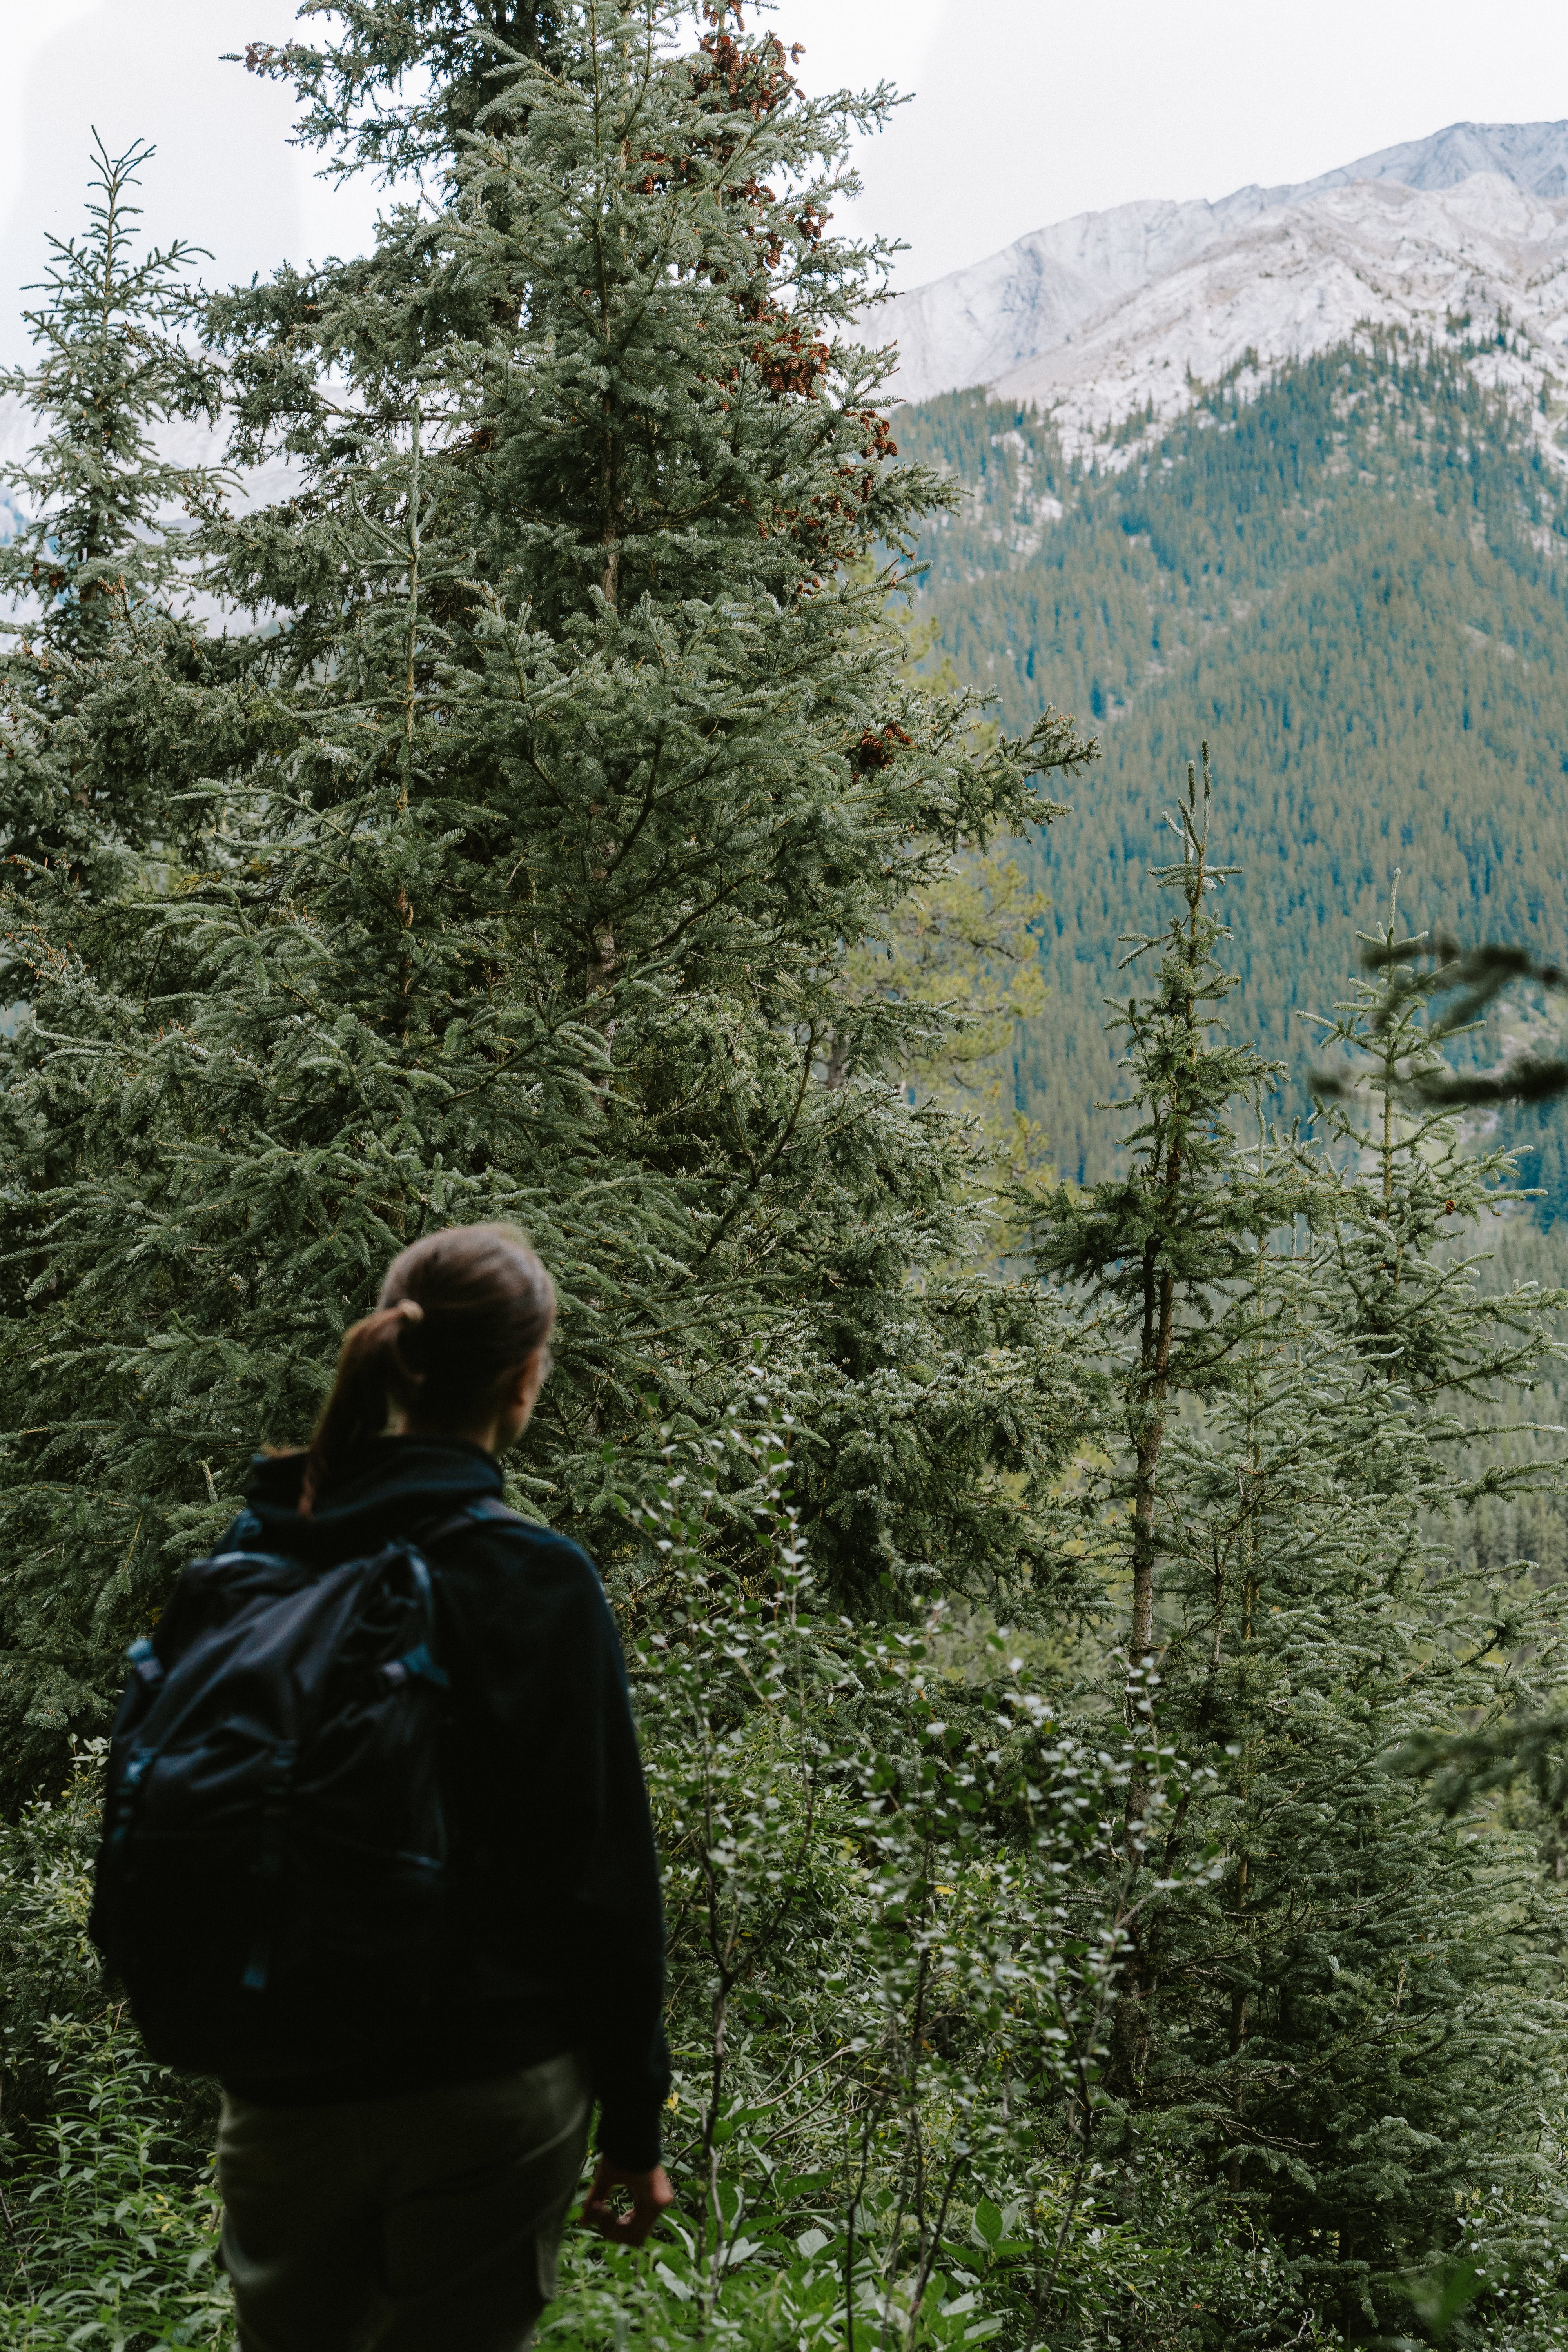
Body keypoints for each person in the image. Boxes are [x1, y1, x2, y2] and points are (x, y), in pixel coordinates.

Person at [211, 1221, 674, 2352]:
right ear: (526, 1379)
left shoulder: (259, 1558)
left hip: (286, 2082)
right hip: (489, 2086)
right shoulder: (540, 1580)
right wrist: (635, 2126)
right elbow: (606, 1875)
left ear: (395, 1357)